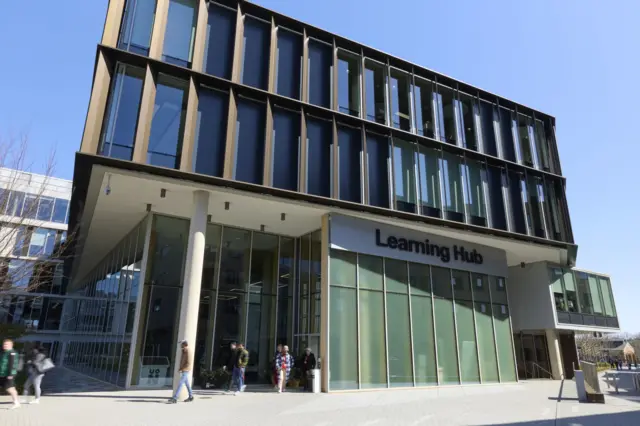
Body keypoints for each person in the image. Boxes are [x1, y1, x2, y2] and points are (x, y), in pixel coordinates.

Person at [0, 339, 20, 409]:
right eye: (4, 344)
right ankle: (16, 401)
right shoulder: (4, 352)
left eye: (6, 344)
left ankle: (16, 403)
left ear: (11, 345)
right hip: (2, 374)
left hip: (8, 374)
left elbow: (13, 364)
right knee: (12, 388)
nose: (4, 345)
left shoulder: (12, 353)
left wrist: (11, 374)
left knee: (9, 389)